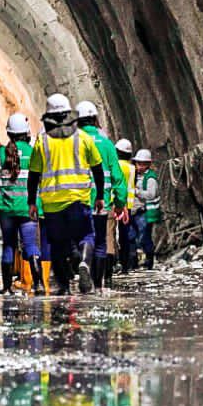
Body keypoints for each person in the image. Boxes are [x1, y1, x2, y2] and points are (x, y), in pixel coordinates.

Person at [29, 94, 105, 294]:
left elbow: (33, 175)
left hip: (52, 204)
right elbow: (97, 169)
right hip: (79, 199)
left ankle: (63, 288)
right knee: (86, 235)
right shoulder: (84, 138)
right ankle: (84, 265)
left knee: (58, 245)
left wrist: (31, 203)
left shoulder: (42, 141)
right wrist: (100, 196)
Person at [0, 113, 44, 295]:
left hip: (6, 209)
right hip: (28, 208)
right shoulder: (34, 152)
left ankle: (6, 287)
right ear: (26, 132)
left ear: (8, 133)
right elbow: (41, 180)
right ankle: (39, 284)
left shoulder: (0, 153)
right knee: (31, 246)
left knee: (8, 245)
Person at [76, 102, 125, 294]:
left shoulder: (74, 141)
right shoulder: (106, 144)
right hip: (101, 202)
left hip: (78, 200)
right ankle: (97, 286)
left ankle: (82, 266)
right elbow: (117, 176)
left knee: (82, 239)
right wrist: (120, 203)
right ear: (96, 119)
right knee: (101, 243)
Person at [114, 138, 138, 273]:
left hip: (116, 204)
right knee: (125, 236)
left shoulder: (116, 165)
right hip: (128, 206)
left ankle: (113, 263)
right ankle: (125, 265)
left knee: (112, 235)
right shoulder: (133, 168)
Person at [132, 148, 159, 270]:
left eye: (143, 164)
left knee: (144, 237)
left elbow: (151, 194)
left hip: (146, 212)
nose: (140, 166)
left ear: (148, 164)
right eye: (138, 163)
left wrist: (137, 192)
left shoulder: (150, 178)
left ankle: (148, 260)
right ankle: (136, 261)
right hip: (135, 211)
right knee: (133, 237)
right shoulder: (135, 176)